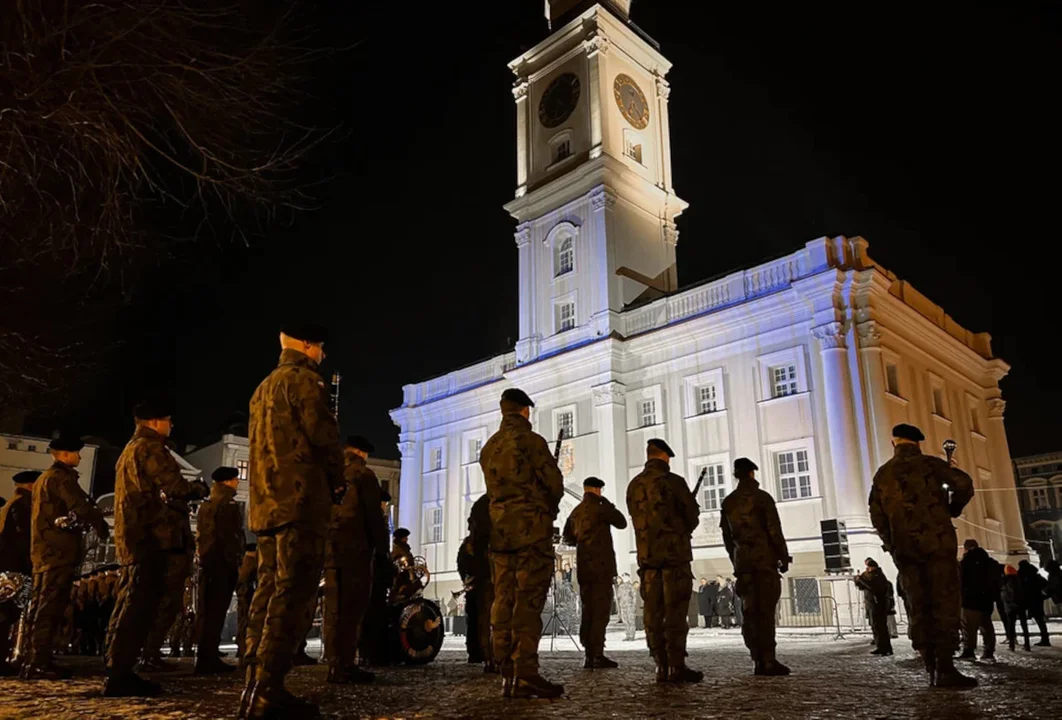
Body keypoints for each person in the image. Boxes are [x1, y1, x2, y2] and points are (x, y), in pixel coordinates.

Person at [240, 322, 346, 719]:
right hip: (301, 503)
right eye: (320, 347)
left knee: (266, 593)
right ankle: (269, 689)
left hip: (267, 506)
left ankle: (252, 683)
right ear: (306, 345)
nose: (323, 355)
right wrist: (337, 482)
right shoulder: (306, 382)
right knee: (293, 594)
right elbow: (323, 437)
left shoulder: (263, 388)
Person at [106, 399, 209, 696]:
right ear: (154, 422)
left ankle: (118, 668)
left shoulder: (129, 450)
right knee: (137, 607)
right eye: (168, 419)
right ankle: (119, 674)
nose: (171, 425)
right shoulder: (151, 448)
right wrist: (197, 490)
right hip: (149, 538)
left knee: (129, 605)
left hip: (136, 537)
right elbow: (175, 486)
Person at [868, 423, 976, 688]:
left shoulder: (883, 474)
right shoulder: (931, 464)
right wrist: (953, 508)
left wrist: (891, 543)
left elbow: (876, 514)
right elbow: (964, 483)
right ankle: (945, 667)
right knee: (944, 600)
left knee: (918, 604)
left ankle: (930, 665)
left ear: (894, 443)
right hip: (937, 544)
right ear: (918, 443)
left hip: (905, 550)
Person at [480, 388, 565, 699]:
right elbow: (554, 485)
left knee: (503, 600)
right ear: (525, 410)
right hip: (531, 532)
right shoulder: (532, 441)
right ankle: (525, 672)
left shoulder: (489, 447)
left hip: (501, 534)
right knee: (528, 603)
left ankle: (505, 669)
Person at [22, 435, 109, 680]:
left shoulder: (44, 479)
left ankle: (35, 658)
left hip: (46, 552)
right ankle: (38, 662)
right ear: (65, 454)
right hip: (58, 552)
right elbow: (79, 505)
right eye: (76, 453)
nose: (79, 457)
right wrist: (98, 522)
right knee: (50, 607)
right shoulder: (60, 478)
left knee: (43, 606)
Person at [627, 438, 702, 684]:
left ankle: (660, 664)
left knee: (653, 613)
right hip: (674, 558)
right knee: (675, 613)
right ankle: (676, 666)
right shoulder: (674, 482)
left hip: (647, 560)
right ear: (665, 457)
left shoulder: (634, 485)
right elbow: (692, 518)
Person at [323, 435, 388, 684]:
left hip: (331, 551)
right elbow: (373, 516)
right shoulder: (363, 475)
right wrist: (382, 551)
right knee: (352, 608)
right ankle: (345, 664)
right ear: (362, 453)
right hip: (356, 551)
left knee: (333, 608)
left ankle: (332, 662)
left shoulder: (331, 474)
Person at [721, 458, 791, 676]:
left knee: (750, 611)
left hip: (743, 563)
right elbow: (774, 530)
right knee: (766, 612)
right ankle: (768, 659)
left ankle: (757, 658)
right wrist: (783, 557)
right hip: (764, 562)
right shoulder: (762, 498)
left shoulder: (729, 502)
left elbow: (726, 537)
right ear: (752, 473)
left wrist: (736, 559)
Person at [562, 476, 627, 669]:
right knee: (600, 612)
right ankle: (596, 654)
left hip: (584, 570)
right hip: (601, 568)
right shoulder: (601, 508)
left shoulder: (576, 512)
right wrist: (607, 504)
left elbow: (567, 539)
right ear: (598, 490)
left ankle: (589, 654)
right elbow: (621, 522)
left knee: (588, 612)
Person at [194, 466, 245, 674]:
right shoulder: (227, 503)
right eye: (235, 479)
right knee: (216, 611)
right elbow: (229, 536)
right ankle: (208, 659)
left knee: (208, 611)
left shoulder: (208, 504)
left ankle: (205, 655)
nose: (238, 483)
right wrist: (235, 560)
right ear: (227, 482)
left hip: (208, 562)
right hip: (222, 563)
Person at [0, 470, 39, 675]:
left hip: (7, 565)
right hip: (13, 566)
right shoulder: (23, 505)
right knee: (7, 614)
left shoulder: (11, 503)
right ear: (31, 485)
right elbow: (24, 538)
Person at [359, 490, 395, 667]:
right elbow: (381, 550)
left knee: (367, 616)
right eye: (384, 504)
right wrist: (390, 572)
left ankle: (366, 654)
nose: (385, 507)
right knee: (376, 616)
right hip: (376, 575)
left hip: (368, 573)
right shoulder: (376, 521)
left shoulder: (363, 518)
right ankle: (375, 654)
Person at [460, 492, 493, 670]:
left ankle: (483, 655)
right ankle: (486, 655)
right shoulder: (494, 502)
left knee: (479, 619)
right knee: (487, 619)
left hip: (477, 581)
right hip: (486, 577)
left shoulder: (469, 543)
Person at [958, 539, 1001, 661]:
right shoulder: (990, 562)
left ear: (966, 548)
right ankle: (988, 651)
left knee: (968, 628)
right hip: (987, 600)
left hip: (970, 600)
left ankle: (969, 651)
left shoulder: (965, 562)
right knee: (986, 626)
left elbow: (960, 581)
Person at [853, 558, 892, 655]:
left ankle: (885, 648)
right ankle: (880, 646)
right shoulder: (872, 576)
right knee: (875, 626)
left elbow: (872, 587)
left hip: (878, 604)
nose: (867, 569)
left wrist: (861, 579)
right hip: (871, 604)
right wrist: (857, 580)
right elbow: (863, 587)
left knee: (880, 627)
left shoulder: (878, 576)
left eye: (868, 567)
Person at [1017, 560, 1051, 647]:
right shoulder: (1035, 575)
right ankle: (1045, 638)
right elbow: (1045, 585)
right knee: (1040, 620)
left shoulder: (1022, 575)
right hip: (1037, 599)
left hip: (1027, 600)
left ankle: (1028, 641)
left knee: (1026, 620)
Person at [235, 543, 258, 667]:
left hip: (246, 598)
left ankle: (244, 649)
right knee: (246, 620)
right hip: (247, 599)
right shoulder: (249, 560)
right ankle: (244, 650)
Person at [1000, 564, 1028, 651]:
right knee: (1024, 625)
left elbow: (1008, 595)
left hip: (1011, 607)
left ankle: (1011, 645)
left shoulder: (1007, 581)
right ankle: (1027, 644)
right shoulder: (1020, 580)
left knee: (1011, 626)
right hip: (1021, 605)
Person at [616, 574, 637, 641]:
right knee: (625, 621)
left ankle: (632, 636)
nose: (624, 578)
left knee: (631, 621)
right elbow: (619, 597)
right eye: (623, 577)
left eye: (625, 577)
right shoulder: (621, 587)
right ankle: (627, 635)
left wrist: (634, 606)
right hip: (623, 606)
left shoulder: (631, 586)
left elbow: (634, 597)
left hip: (630, 606)